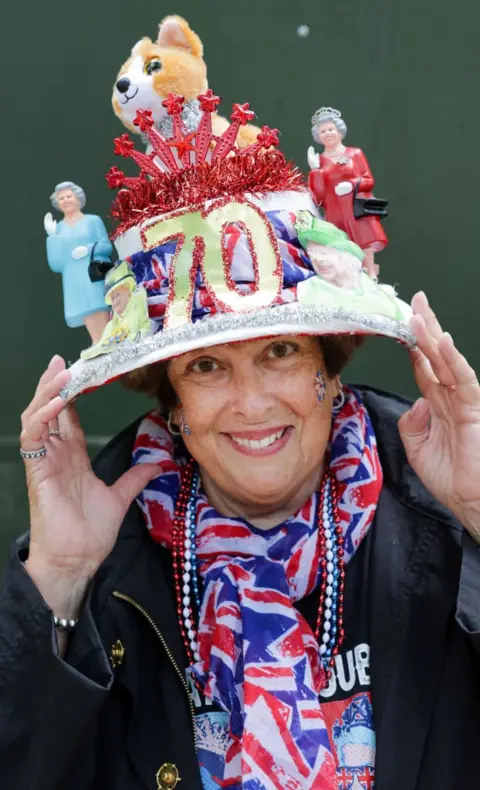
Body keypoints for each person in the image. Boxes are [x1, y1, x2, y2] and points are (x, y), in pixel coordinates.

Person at [2, 94, 480, 790]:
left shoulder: (432, 511)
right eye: (206, 366)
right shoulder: (108, 547)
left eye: (281, 350)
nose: (252, 403)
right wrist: (57, 581)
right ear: (173, 403)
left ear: (329, 365)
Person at [307, 108, 388, 280]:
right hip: (335, 211)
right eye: (323, 131)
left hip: (355, 208)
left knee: (363, 239)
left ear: (339, 131)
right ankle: (348, 277)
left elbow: (368, 180)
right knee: (340, 245)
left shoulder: (354, 154)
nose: (328, 134)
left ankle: (371, 274)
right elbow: (317, 196)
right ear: (318, 136)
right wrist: (315, 171)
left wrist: (351, 185)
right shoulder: (320, 161)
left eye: (330, 129)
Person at [45, 181, 112, 342]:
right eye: (61, 198)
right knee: (87, 311)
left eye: (69, 196)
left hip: (94, 275)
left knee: (101, 307)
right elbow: (56, 264)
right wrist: (52, 236)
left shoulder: (93, 221)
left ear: (78, 198)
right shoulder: (58, 228)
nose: (66, 200)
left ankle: (108, 341)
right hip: (74, 280)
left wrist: (88, 250)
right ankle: (97, 343)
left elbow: (106, 246)